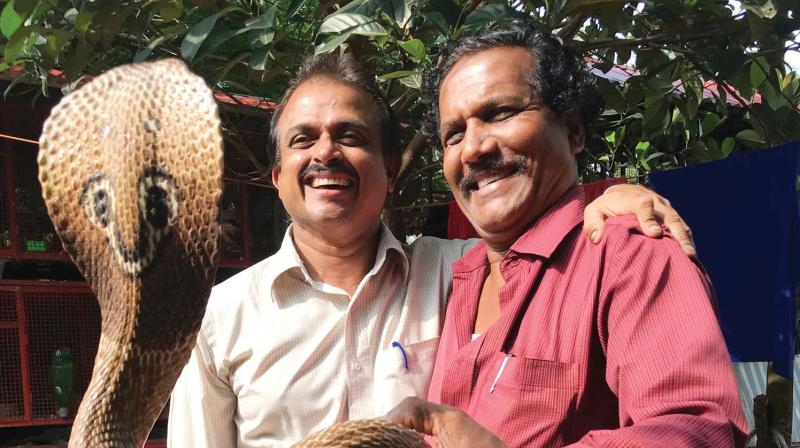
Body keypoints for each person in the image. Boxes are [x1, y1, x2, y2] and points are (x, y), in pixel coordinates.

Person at [168, 52, 697, 447]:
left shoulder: (458, 270)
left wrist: (607, 196)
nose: (325, 152)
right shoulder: (220, 317)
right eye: (303, 140)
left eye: (350, 136)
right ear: (278, 175)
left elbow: (539, 226)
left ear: (391, 171)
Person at [386, 26, 747, 448]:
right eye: (454, 134)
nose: (472, 149)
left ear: (574, 131)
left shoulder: (628, 252)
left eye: (500, 113)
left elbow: (699, 430)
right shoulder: (456, 275)